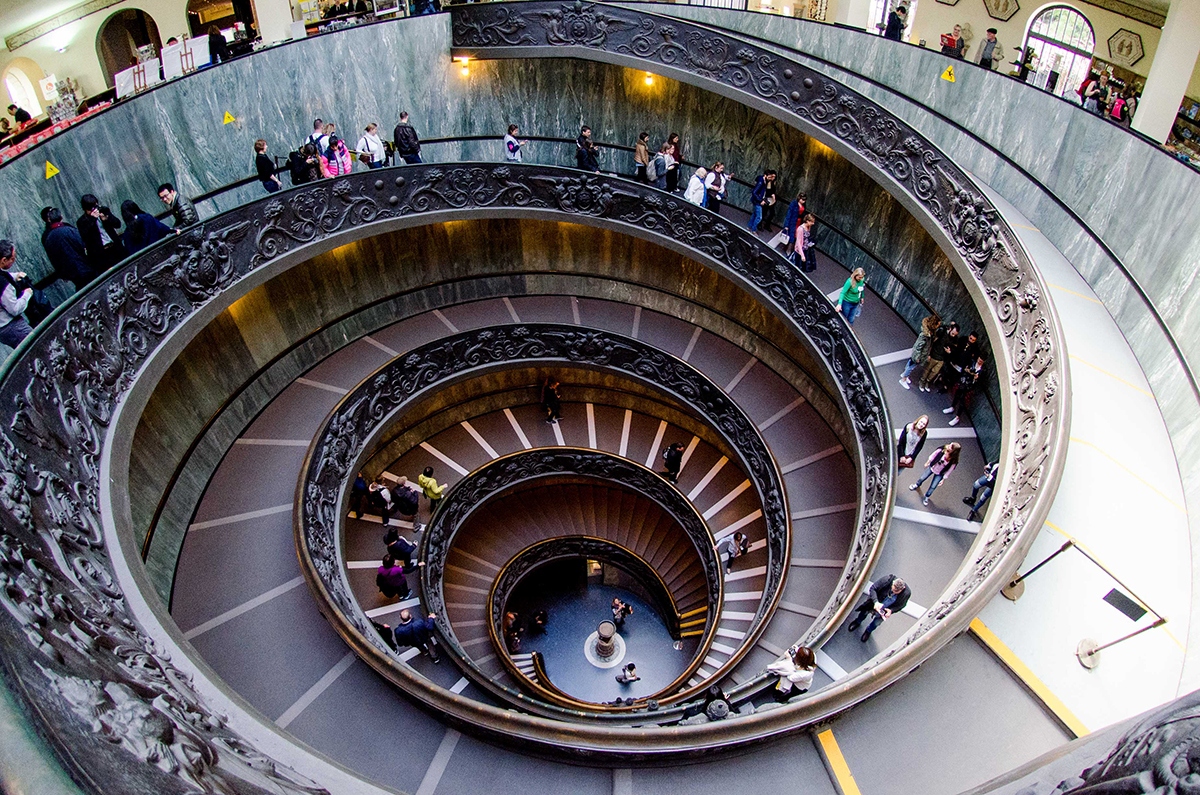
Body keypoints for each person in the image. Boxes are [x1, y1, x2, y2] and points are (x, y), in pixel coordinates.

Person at [40, 208, 96, 291]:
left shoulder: (48, 238)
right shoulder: (69, 230)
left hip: (68, 270)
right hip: (82, 264)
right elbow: (82, 244)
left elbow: (53, 258)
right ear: (61, 217)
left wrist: (61, 273)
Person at [847, 575, 910, 641]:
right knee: (864, 612)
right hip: (873, 603)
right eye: (893, 589)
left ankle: (868, 631)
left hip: (883, 611)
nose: (893, 592)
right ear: (893, 583)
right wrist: (875, 602)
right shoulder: (887, 580)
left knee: (876, 623)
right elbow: (873, 588)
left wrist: (891, 610)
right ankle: (858, 621)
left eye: (896, 592)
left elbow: (901, 605)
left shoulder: (906, 594)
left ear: (903, 588)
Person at [77, 194, 125, 272]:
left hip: (115, 247)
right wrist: (92, 219)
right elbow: (85, 237)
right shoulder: (82, 221)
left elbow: (117, 224)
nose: (94, 210)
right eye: (91, 209)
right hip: (101, 254)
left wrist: (107, 218)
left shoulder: (103, 211)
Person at [0, 241, 34, 348]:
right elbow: (14, 309)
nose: (14, 261)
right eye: (12, 258)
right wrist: (27, 294)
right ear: (4, 260)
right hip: (11, 326)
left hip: (3, 329)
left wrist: (15, 276)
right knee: (38, 347)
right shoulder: (3, 284)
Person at [899, 315, 939, 389]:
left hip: (920, 354)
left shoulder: (928, 333)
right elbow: (918, 347)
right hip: (919, 354)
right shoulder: (925, 335)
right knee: (911, 366)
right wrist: (917, 357)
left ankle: (905, 374)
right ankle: (903, 379)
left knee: (910, 363)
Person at [919, 321, 958, 392]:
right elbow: (934, 339)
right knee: (928, 369)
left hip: (942, 358)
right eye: (952, 333)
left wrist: (950, 352)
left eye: (955, 334)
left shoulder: (954, 339)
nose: (953, 336)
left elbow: (954, 348)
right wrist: (929, 353)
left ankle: (928, 381)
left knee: (935, 372)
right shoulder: (942, 332)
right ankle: (922, 381)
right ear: (950, 329)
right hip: (935, 353)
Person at [946, 355, 983, 426]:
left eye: (981, 361)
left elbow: (981, 381)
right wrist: (968, 371)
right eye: (979, 359)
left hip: (970, 387)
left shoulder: (983, 370)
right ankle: (952, 407)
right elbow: (965, 369)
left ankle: (957, 417)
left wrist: (976, 379)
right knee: (957, 395)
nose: (979, 361)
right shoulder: (972, 362)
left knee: (963, 402)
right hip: (963, 382)